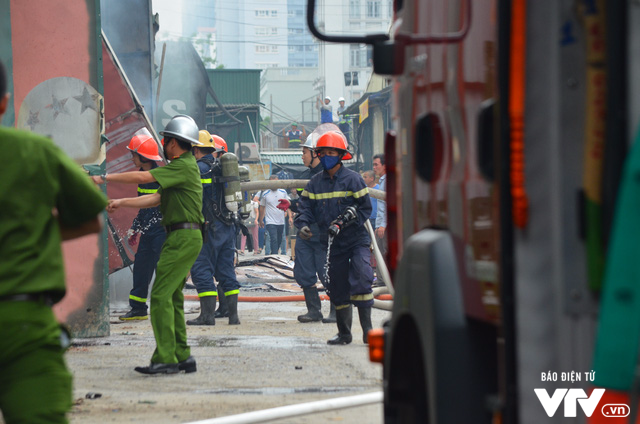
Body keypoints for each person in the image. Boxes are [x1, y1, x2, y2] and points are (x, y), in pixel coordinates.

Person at [0, 59, 108, 423]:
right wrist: (34, 230)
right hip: (23, 327)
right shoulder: (34, 153)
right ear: (5, 102)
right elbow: (89, 219)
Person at [93, 114, 204, 375]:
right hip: (183, 236)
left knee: (160, 296)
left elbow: (144, 179)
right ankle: (182, 355)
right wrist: (121, 203)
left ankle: (165, 358)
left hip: (182, 237)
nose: (163, 145)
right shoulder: (182, 167)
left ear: (174, 143)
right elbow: (154, 199)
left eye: (165, 140)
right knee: (173, 296)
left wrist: (103, 179)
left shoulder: (182, 166)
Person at [295, 131, 374, 345]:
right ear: (318, 154)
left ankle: (368, 331)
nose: (328, 156)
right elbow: (304, 209)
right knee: (338, 287)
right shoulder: (314, 184)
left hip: (355, 239)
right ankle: (344, 334)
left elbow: (365, 208)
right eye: (324, 152)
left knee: (363, 277)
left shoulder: (354, 179)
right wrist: (302, 226)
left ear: (341, 155)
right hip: (332, 243)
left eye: (332, 152)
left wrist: (348, 220)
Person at [188, 132, 242, 325]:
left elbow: (196, 200)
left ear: (195, 149)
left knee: (201, 268)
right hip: (227, 227)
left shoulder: (198, 169)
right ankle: (234, 316)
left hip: (208, 228)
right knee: (226, 271)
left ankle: (207, 316)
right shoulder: (221, 168)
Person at [287, 134, 335, 323]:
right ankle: (314, 310)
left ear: (316, 153)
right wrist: (291, 204)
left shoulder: (331, 175)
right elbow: (305, 203)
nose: (302, 155)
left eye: (304, 152)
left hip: (323, 233)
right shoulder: (304, 178)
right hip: (305, 231)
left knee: (327, 273)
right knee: (303, 271)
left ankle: (336, 311)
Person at [120, 128, 166, 321]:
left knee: (163, 272)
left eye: (133, 154)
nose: (131, 158)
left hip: (162, 231)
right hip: (148, 231)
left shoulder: (161, 175)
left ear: (143, 156)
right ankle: (138, 308)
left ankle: (165, 308)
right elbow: (143, 206)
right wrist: (135, 228)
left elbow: (156, 204)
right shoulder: (142, 174)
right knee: (141, 267)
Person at [259, 175, 292, 256]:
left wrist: (290, 217)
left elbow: (288, 204)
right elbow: (262, 207)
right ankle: (274, 255)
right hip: (270, 220)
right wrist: (260, 220)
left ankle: (275, 253)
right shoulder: (265, 194)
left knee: (279, 239)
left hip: (281, 221)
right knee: (273, 238)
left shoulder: (283, 192)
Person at [373, 154, 387, 255]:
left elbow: (388, 205)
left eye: (376, 165)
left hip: (385, 228)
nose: (374, 168)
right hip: (381, 227)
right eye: (373, 165)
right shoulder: (382, 181)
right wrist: (378, 226)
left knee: (385, 258)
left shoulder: (387, 182)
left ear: (384, 166)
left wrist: (383, 225)